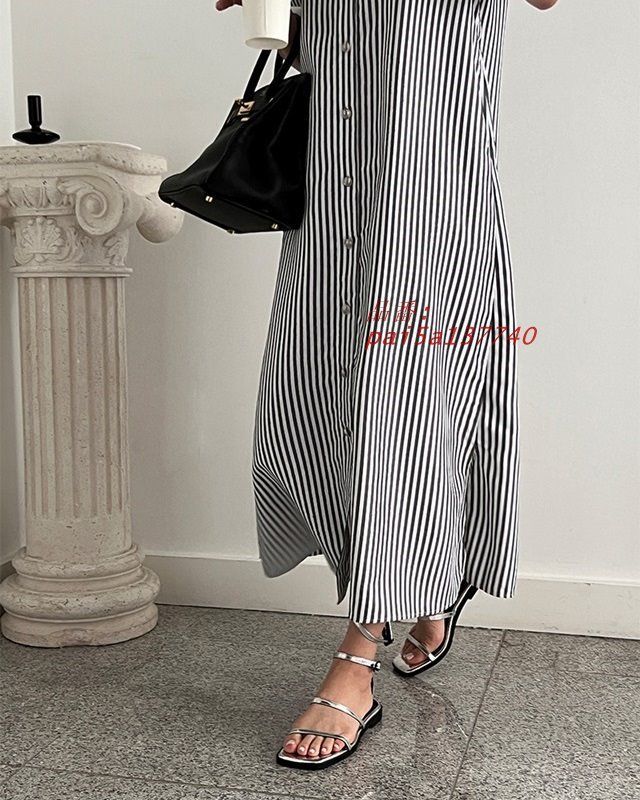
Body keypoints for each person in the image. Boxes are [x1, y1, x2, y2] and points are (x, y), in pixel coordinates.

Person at [216, 0, 559, 770]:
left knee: (397, 403)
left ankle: (357, 655)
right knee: (309, 398)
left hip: (428, 191)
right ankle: (429, 579)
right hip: (330, 189)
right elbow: (318, 44)